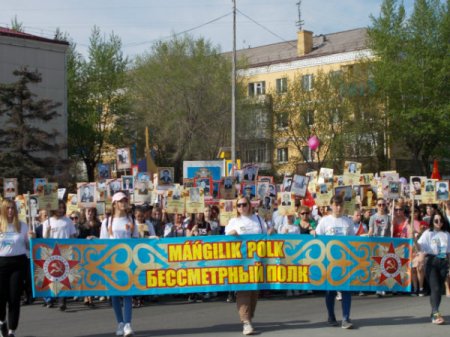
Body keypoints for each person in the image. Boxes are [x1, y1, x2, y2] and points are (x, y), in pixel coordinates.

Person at [225, 197, 274, 335]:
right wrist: (231, 234)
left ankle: (249, 317)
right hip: (241, 262)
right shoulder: (234, 221)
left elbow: (265, 234)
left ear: (249, 205)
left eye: (244, 204)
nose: (242, 207)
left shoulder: (258, 219)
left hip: (257, 261)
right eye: (239, 205)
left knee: (254, 291)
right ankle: (245, 322)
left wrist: (271, 232)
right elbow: (224, 238)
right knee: (243, 290)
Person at [100, 192, 138, 337]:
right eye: (121, 201)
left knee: (128, 292)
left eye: (125, 200)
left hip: (127, 260)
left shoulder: (131, 219)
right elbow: (102, 241)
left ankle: (128, 324)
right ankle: (120, 323)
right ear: (115, 203)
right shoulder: (107, 221)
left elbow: (136, 239)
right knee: (115, 294)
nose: (124, 203)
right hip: (112, 261)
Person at [315, 195, 355, 329]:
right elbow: (317, 239)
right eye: (336, 205)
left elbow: (353, 242)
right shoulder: (324, 221)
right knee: (330, 291)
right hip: (329, 262)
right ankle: (331, 316)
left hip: (344, 261)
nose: (338, 207)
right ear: (331, 206)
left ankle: (345, 318)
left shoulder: (348, 222)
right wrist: (313, 233)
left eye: (340, 205)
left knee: (346, 290)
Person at [0, 199, 35, 337]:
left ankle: (11, 331)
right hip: (1, 264)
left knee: (14, 298)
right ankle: (2, 322)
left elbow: (28, 247)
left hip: (18, 264)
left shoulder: (22, 226)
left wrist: (32, 238)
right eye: (7, 208)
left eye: (12, 208)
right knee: (1, 299)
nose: (10, 211)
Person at [416, 211, 450, 325]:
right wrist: (413, 238)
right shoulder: (428, 233)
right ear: (432, 222)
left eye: (440, 220)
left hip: (443, 262)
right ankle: (436, 313)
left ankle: (433, 311)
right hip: (431, 261)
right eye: (436, 220)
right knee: (435, 288)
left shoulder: (446, 234)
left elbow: (448, 252)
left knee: (439, 290)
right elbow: (420, 247)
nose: (438, 222)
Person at [42, 200, 77, 310]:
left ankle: (62, 300)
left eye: (62, 208)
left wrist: (73, 247)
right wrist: (47, 231)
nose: (61, 210)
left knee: (64, 276)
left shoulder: (68, 221)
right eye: (59, 208)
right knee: (53, 275)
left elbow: (72, 236)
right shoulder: (47, 222)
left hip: (65, 251)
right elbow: (44, 238)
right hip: (52, 252)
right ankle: (51, 298)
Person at [79, 207, 102, 308]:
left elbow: (102, 237)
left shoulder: (98, 225)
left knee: (93, 274)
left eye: (92, 211)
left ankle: (91, 297)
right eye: (88, 211)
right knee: (85, 274)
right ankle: (86, 297)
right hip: (84, 252)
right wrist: (85, 238)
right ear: (84, 213)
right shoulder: (81, 225)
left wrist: (95, 238)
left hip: (95, 252)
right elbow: (78, 239)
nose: (90, 213)